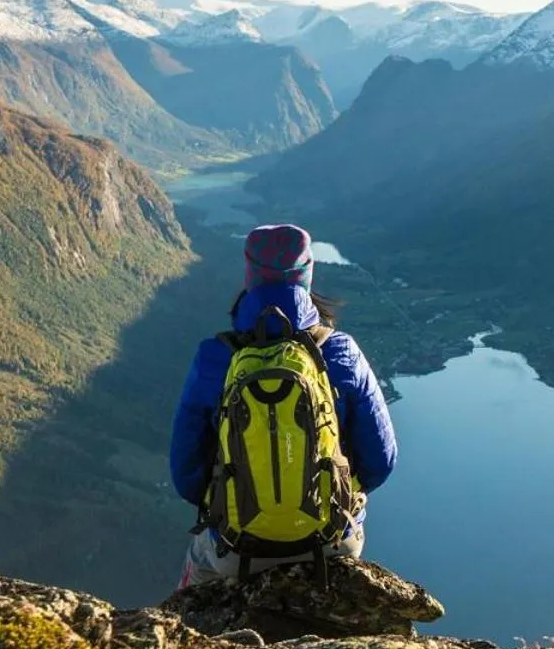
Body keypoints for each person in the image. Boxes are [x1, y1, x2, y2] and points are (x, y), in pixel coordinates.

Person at [169, 223, 397, 587]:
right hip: (332, 541)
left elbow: (186, 476)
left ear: (250, 276)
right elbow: (381, 462)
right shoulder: (340, 352)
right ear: (306, 274)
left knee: (196, 569)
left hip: (236, 549)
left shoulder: (215, 357)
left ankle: (184, 628)